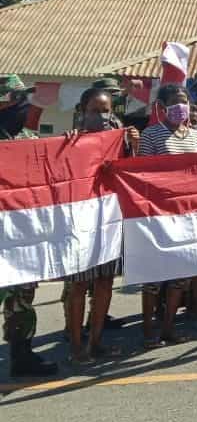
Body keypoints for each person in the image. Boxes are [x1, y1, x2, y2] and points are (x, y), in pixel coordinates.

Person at [138, 83, 197, 347]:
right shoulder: (151, 135)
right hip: (160, 215)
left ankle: (169, 328)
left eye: (183, 101)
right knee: (154, 277)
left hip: (189, 214)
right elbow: (143, 173)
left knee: (180, 276)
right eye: (174, 101)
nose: (180, 106)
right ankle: (149, 330)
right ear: (161, 107)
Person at [64, 87, 140, 363]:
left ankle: (95, 343)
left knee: (104, 281)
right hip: (79, 221)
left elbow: (130, 173)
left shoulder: (119, 140)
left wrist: (135, 145)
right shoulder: (70, 141)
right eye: (95, 111)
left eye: (105, 110)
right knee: (79, 284)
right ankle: (75, 347)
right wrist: (71, 144)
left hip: (108, 218)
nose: (101, 116)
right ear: (82, 112)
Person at [0, 74, 59, 378]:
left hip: (22, 235)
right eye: (18, 99)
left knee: (22, 298)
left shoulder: (28, 139)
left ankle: (21, 355)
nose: (25, 105)